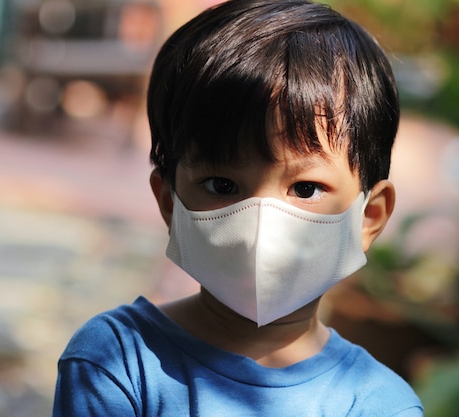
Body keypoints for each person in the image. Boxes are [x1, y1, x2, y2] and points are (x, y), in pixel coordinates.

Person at [52, 0, 424, 415]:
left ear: (368, 217)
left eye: (305, 189)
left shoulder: (380, 404)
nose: (260, 224)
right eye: (223, 185)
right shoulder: (116, 362)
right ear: (169, 201)